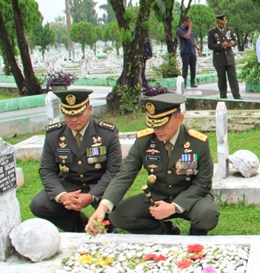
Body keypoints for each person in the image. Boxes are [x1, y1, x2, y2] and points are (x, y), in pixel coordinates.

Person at [87, 93, 219, 236]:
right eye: (154, 125)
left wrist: (174, 207)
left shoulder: (197, 143)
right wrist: (102, 207)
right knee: (118, 216)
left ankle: (196, 235)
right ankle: (165, 232)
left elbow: (203, 183)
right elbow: (125, 174)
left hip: (190, 197)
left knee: (208, 215)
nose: (158, 130)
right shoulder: (145, 141)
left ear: (180, 118)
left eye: (163, 124)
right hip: (156, 196)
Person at [30, 89, 122, 232]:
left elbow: (114, 170)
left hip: (99, 184)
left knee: (117, 210)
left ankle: (108, 227)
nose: (74, 120)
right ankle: (78, 226)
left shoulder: (107, 133)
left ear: (89, 109)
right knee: (39, 205)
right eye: (69, 115)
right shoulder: (54, 135)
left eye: (78, 114)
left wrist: (91, 196)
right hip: (70, 183)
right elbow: (47, 170)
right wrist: (62, 196)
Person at [208, 15, 241, 99]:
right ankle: (223, 96)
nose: (224, 25)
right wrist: (221, 45)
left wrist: (233, 43)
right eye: (222, 24)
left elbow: (235, 40)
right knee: (222, 79)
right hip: (219, 59)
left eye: (225, 24)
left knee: (233, 78)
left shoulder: (229, 30)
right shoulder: (212, 32)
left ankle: (236, 96)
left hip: (229, 58)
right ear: (218, 23)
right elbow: (210, 45)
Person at [177, 16, 200, 88]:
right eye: (189, 22)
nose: (190, 23)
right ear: (184, 22)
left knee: (193, 68)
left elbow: (193, 39)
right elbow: (187, 36)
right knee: (185, 68)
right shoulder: (180, 30)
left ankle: (192, 82)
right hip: (185, 51)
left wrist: (197, 48)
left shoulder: (190, 30)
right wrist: (190, 27)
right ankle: (184, 82)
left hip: (192, 51)